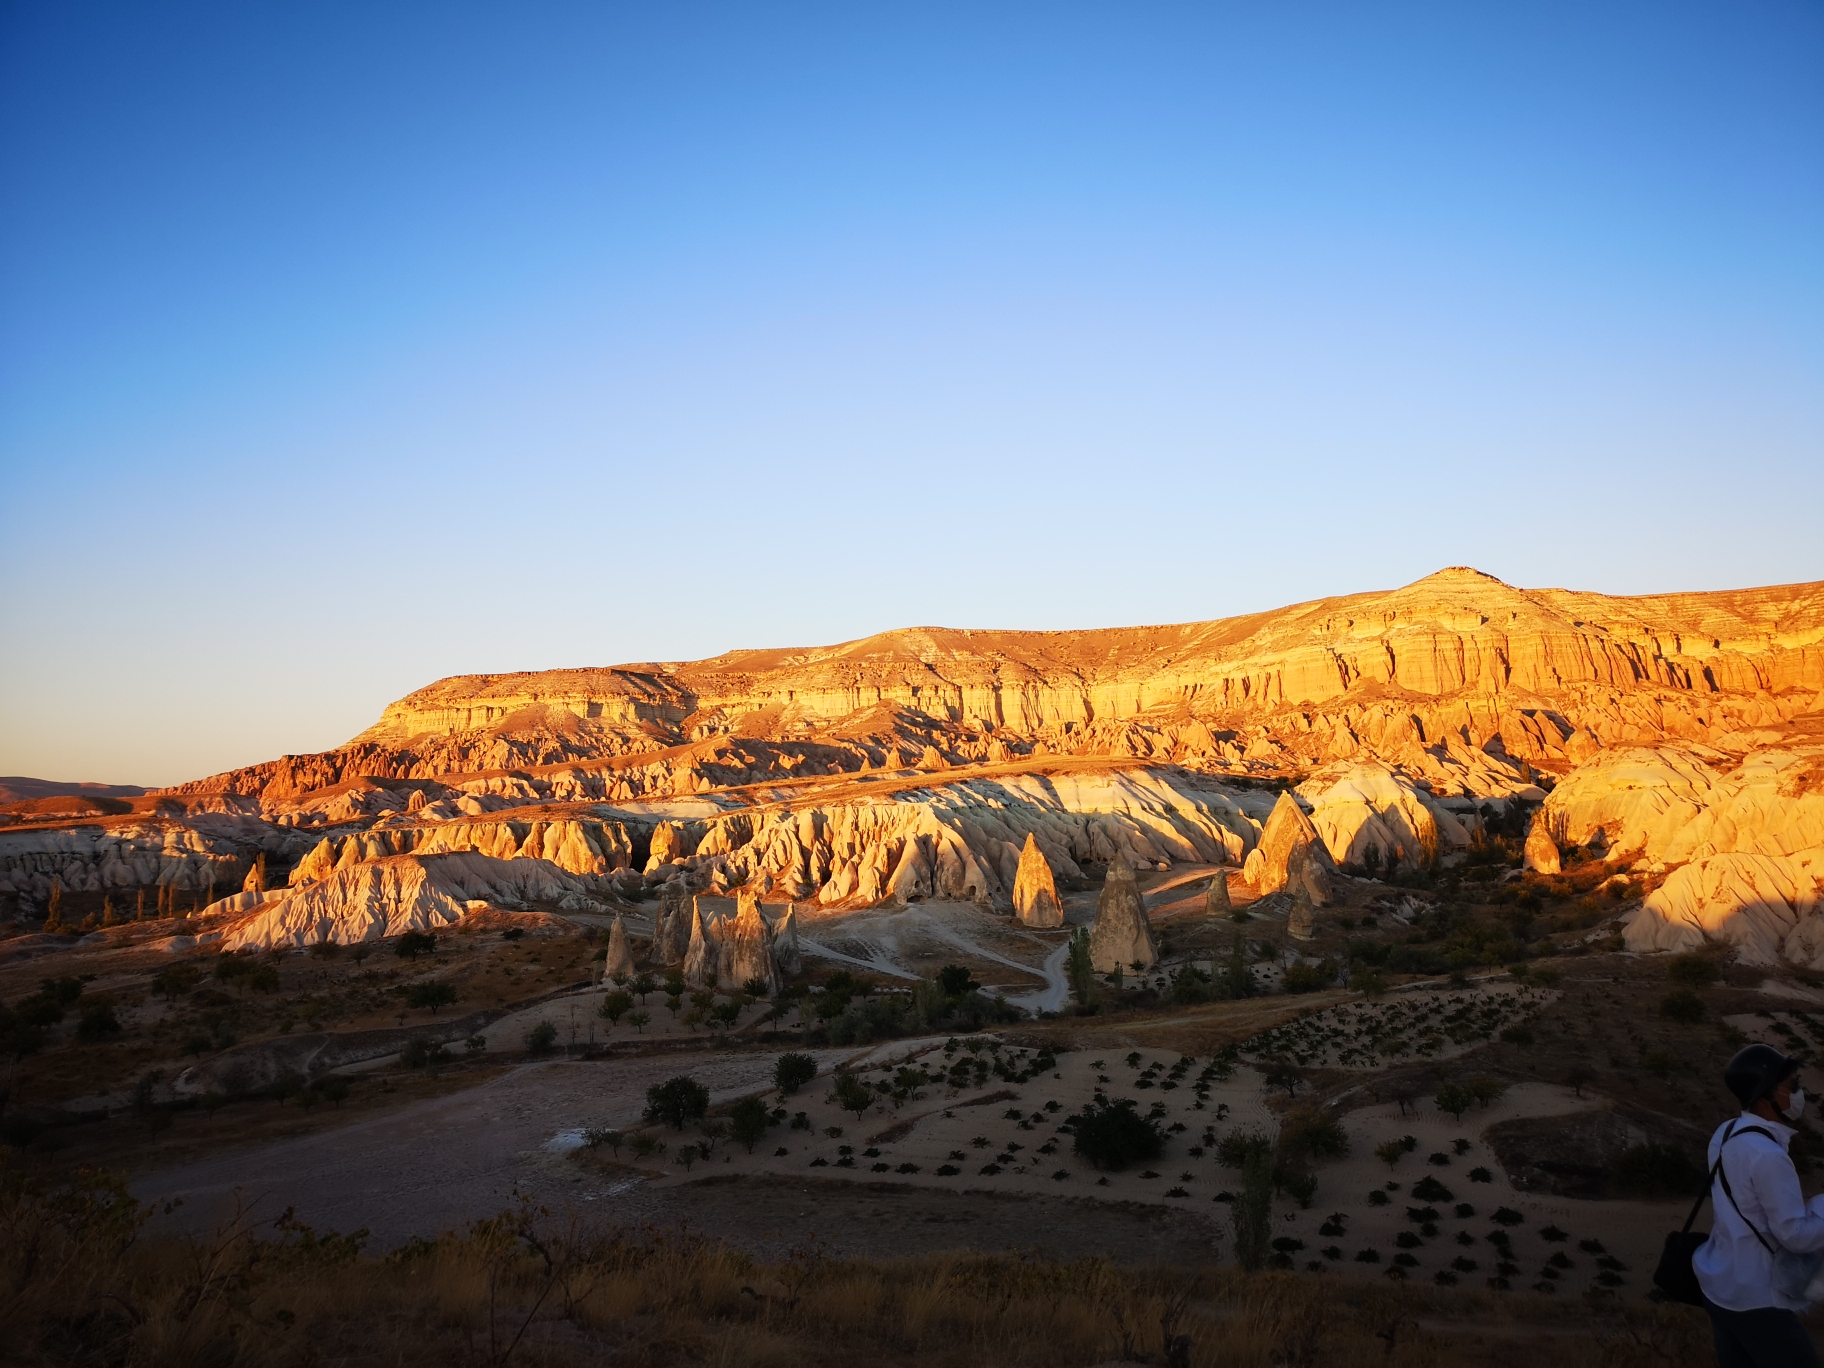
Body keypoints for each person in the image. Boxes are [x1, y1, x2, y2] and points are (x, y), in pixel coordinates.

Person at [1696, 1044, 1824, 1367]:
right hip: (1757, 1297)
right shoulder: (1769, 1156)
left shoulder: (1724, 1133)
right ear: (1766, 1096)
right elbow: (1794, 1235)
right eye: (1792, 1087)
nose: (1799, 1094)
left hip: (1720, 1287)